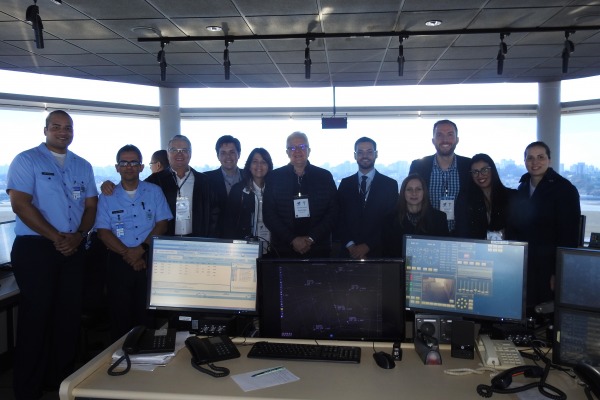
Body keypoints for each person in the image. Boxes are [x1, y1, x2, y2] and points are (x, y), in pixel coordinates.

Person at [7, 110, 98, 399]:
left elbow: (91, 206)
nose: (63, 132)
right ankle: (28, 389)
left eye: (68, 127)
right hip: (37, 249)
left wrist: (79, 235)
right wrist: (56, 237)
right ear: (45, 130)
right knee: (36, 320)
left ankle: (60, 384)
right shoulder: (26, 160)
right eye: (56, 127)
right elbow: (20, 204)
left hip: (73, 246)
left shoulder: (82, 166)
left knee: (67, 320)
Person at [95, 144, 173, 341]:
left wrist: (141, 250)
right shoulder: (107, 196)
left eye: (134, 162)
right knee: (119, 318)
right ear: (117, 167)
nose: (129, 166)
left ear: (141, 167)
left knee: (147, 318)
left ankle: (147, 364)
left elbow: (162, 224)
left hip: (148, 260)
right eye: (124, 162)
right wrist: (129, 254)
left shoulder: (154, 192)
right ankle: (120, 362)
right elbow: (103, 232)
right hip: (119, 262)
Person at [507, 141, 581, 309]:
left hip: (548, 266)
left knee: (545, 314)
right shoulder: (523, 186)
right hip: (526, 264)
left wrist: (559, 272)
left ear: (550, 160)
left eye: (540, 157)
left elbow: (569, 235)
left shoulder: (565, 190)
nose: (535, 162)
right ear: (524, 161)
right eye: (530, 158)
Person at [102, 135, 220, 237]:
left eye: (184, 150)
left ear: (190, 153)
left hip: (197, 241)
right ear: (167, 153)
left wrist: (209, 238)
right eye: (174, 150)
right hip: (164, 242)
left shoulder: (205, 182)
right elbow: (131, 187)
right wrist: (108, 185)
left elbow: (215, 213)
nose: (179, 154)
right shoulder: (155, 181)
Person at [263, 131, 338, 258]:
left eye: (302, 147)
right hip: (283, 249)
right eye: (292, 147)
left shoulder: (324, 176)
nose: (297, 151)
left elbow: (334, 212)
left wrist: (311, 238)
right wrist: (292, 239)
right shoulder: (274, 177)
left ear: (309, 150)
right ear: (287, 152)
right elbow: (269, 215)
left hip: (319, 248)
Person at [337, 137, 398, 258]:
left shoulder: (390, 185)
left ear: (376, 154)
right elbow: (339, 218)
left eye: (369, 152)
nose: (365, 156)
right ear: (355, 156)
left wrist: (368, 245)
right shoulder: (345, 184)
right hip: (349, 253)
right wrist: (350, 246)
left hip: (379, 252)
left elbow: (391, 221)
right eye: (360, 152)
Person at [409, 119, 471, 234]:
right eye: (439, 135)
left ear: (457, 140)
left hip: (462, 235)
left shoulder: (468, 166)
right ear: (433, 140)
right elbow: (410, 200)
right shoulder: (418, 166)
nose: (445, 139)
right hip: (426, 233)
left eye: (450, 134)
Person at [383, 174, 449, 257]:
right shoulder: (390, 219)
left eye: (418, 189)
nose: (414, 193)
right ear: (403, 193)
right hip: (398, 268)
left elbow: (444, 252)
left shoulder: (439, 218)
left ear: (424, 192)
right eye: (409, 189)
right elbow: (387, 253)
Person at [455, 153, 516, 240]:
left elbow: (518, 230)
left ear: (493, 170)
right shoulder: (465, 201)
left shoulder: (511, 197)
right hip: (476, 250)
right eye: (475, 172)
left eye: (485, 170)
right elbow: (462, 232)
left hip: (508, 251)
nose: (480, 175)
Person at [223, 148, 274, 251]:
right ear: (249, 166)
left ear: (269, 166)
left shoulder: (275, 190)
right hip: (246, 248)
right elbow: (230, 224)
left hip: (273, 248)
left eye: (263, 162)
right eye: (255, 162)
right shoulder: (238, 190)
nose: (259, 166)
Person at [204, 135, 244, 215]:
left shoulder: (248, 176)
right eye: (223, 153)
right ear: (218, 156)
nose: (228, 157)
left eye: (232, 152)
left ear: (238, 154)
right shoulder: (206, 179)